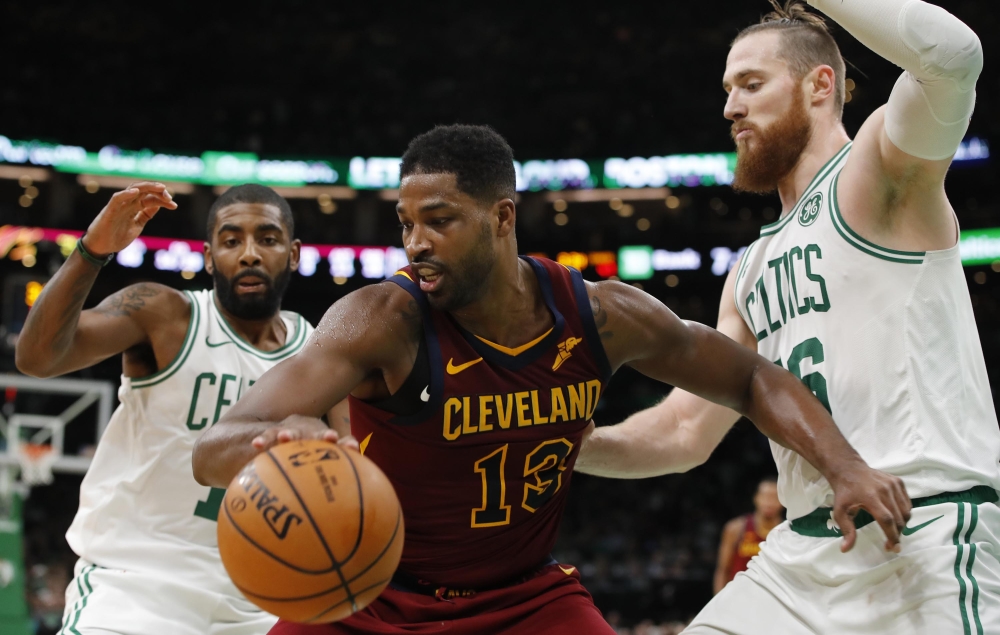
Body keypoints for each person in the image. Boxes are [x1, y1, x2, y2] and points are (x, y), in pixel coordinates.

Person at [193, 124, 909, 635]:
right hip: (367, 598)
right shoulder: (382, 317)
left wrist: (843, 464)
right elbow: (215, 447)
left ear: (502, 217)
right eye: (406, 222)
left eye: (438, 221)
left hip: (521, 601)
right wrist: (289, 433)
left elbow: (751, 375)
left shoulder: (599, 315)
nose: (414, 242)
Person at [575, 1, 1000, 632]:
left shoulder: (879, 171)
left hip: (921, 535)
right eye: (727, 90)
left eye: (751, 84)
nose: (730, 108)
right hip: (797, 559)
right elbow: (684, 433)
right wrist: (566, 444)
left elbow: (954, 57)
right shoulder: (749, 268)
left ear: (820, 85)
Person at [15, 183, 347, 635]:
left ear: (294, 253)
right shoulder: (165, 315)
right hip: (135, 588)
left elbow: (354, 477)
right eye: (231, 241)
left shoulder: (322, 355)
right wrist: (92, 250)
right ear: (209, 257)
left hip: (259, 602)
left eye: (267, 239)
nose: (249, 254)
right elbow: (37, 358)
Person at [712, 477, 783, 595]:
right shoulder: (735, 529)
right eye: (765, 497)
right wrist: (717, 602)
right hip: (738, 597)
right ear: (756, 498)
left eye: (775, 498)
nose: (769, 502)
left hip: (771, 599)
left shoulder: (788, 532)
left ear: (783, 501)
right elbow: (723, 570)